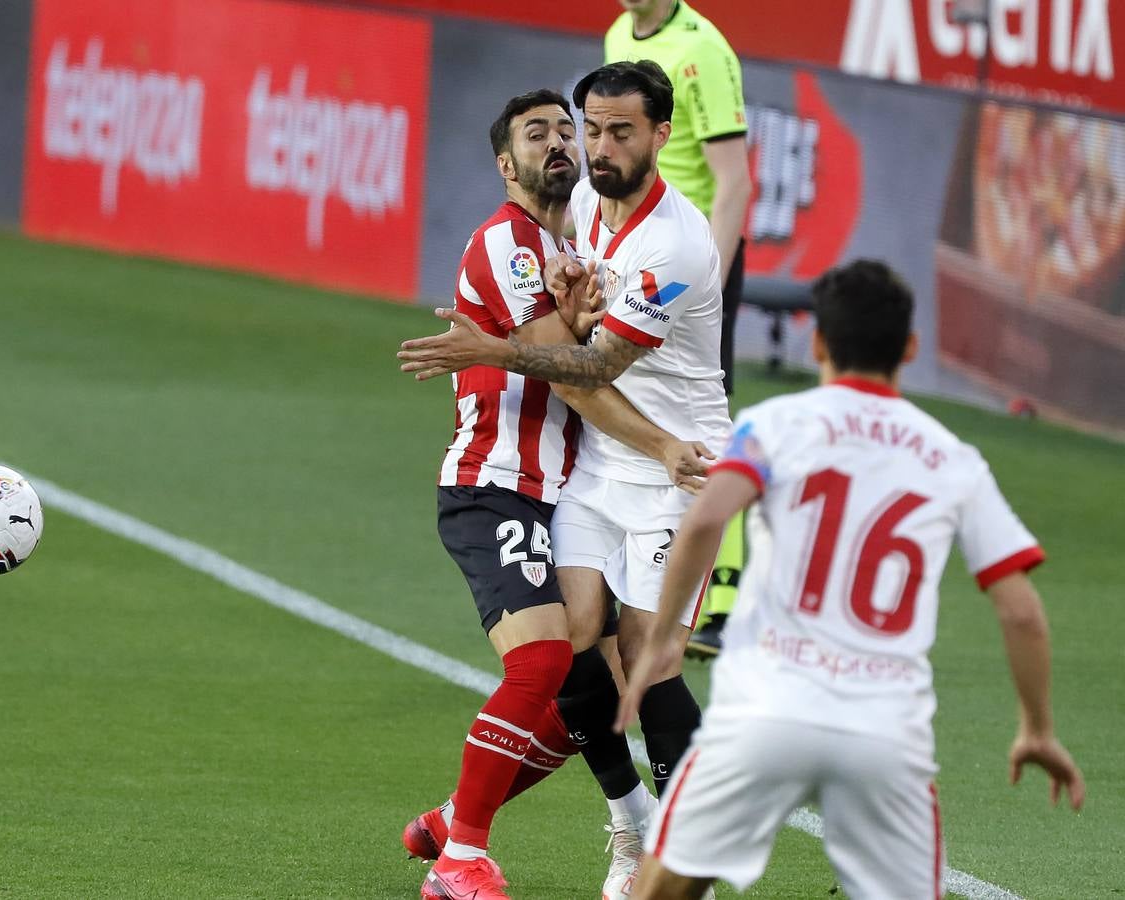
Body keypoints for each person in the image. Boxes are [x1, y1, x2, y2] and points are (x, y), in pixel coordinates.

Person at [615, 259, 1086, 899]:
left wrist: (663, 639)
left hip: (765, 711)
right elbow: (1022, 612)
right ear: (910, 348)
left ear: (817, 344)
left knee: (663, 889)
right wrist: (1037, 728)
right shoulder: (953, 459)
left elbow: (704, 523)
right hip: (884, 732)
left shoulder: (774, 424)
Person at [400, 60, 729, 900]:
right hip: (569, 473)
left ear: (661, 136)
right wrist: (567, 307)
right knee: (569, 647)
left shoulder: (674, 242)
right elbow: (575, 347)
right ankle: (611, 829)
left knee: (640, 665)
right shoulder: (567, 212)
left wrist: (508, 342)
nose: (592, 146)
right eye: (586, 129)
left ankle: (667, 859)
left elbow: (589, 368)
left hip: (674, 468)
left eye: (617, 131)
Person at [606, 0, 755, 658]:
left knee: (705, 419)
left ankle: (722, 595)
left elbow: (734, 185)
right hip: (640, 259)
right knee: (631, 408)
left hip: (694, 269)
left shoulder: (705, 51)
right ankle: (636, 571)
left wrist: (707, 289)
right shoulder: (619, 33)